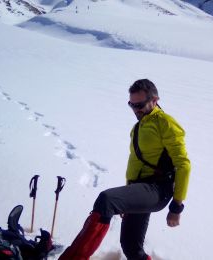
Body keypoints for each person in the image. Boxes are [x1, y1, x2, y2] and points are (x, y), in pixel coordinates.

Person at [59, 79, 191, 260]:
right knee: (130, 246)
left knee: (106, 200)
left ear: (155, 100)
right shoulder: (139, 126)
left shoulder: (166, 124)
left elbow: (183, 164)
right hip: (139, 189)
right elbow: (135, 163)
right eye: (131, 105)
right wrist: (127, 196)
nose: (136, 109)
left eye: (140, 105)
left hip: (158, 189)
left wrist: (176, 207)